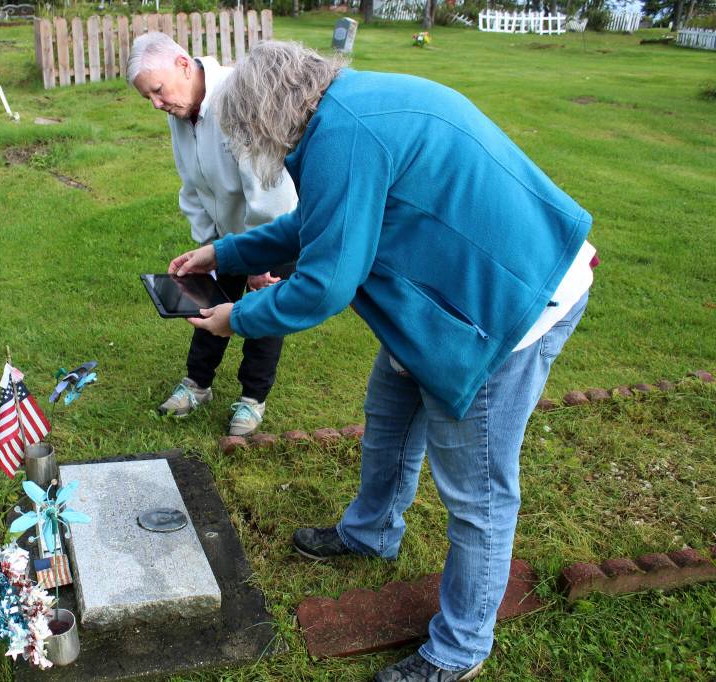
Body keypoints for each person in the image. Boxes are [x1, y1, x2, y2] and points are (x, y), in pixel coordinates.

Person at [169, 41, 596, 682]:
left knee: (478, 493)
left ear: (268, 114)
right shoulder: (343, 106)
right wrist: (224, 255)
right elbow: (318, 223)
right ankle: (370, 533)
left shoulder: (346, 134)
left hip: (506, 310)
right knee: (391, 412)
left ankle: (460, 649)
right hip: (451, 292)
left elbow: (326, 284)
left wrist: (239, 319)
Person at [126, 33, 298, 437]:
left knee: (263, 313)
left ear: (183, 65)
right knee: (206, 306)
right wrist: (208, 248)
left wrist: (258, 257)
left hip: (274, 230)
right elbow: (192, 185)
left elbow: (269, 188)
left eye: (158, 91)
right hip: (226, 234)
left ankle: (253, 399)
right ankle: (196, 385)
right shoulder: (180, 113)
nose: (156, 104)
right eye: (147, 98)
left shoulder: (239, 96)